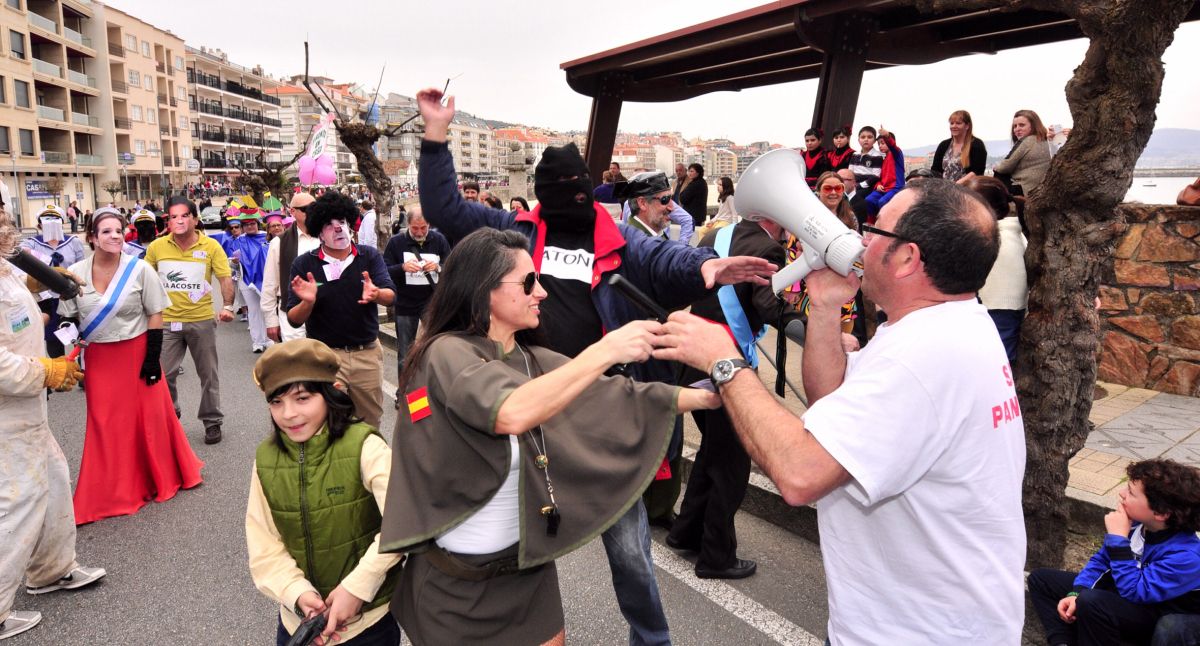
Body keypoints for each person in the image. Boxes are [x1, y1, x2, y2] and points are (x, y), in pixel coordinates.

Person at [412, 85, 774, 646]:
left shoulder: (623, 241)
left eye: (576, 190)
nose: (569, 200)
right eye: (557, 191)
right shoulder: (517, 240)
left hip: (603, 411)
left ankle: (651, 640)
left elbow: (666, 256)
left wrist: (707, 267)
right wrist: (436, 134)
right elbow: (447, 210)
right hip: (528, 402)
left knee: (630, 551)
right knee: (507, 539)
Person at [653, 179, 1026, 644]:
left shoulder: (922, 357)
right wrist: (827, 308)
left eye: (875, 231)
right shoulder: (948, 327)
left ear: (908, 258)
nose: (862, 240)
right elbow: (831, 407)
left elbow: (802, 473)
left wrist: (724, 362)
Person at [379, 228, 720, 645]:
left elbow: (611, 394)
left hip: (528, 577)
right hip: (455, 589)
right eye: (528, 282)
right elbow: (511, 411)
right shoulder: (446, 352)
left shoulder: (529, 356)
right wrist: (606, 350)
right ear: (485, 290)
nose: (541, 292)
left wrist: (709, 394)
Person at [666, 201, 800, 581]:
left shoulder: (715, 233)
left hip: (692, 362)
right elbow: (766, 304)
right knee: (732, 465)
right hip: (726, 364)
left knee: (713, 452)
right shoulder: (769, 248)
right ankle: (716, 556)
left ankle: (686, 532)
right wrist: (807, 324)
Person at [246, 339, 403, 646]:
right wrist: (296, 592)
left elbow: (402, 522)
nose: (288, 413)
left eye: (302, 398)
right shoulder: (265, 459)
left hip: (368, 621)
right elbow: (263, 541)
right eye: (276, 402)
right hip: (299, 623)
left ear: (331, 394)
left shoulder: (366, 446)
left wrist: (357, 588)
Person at [58, 208, 204, 525]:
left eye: (118, 231)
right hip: (100, 358)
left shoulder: (138, 270)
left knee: (149, 418)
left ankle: (157, 477)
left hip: (138, 352)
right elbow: (67, 316)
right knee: (105, 423)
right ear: (92, 238)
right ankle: (109, 489)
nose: (114, 237)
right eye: (106, 232)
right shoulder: (75, 272)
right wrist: (66, 347)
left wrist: (153, 359)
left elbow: (155, 313)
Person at [0, 204, 105, 641]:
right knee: (19, 502)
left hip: (25, 409)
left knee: (55, 478)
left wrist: (35, 285)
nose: (5, 219)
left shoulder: (4, 263)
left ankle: (49, 571)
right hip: (7, 411)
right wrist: (48, 372)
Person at [1028, 459, 1200, 646]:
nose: (1121, 493)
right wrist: (1076, 592)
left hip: (1156, 616)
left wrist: (1118, 540)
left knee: (1092, 602)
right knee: (1041, 580)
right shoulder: (1136, 525)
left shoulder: (1187, 556)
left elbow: (1136, 592)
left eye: (1131, 493)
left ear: (1160, 512)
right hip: (1128, 595)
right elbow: (1101, 563)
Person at [286, 192, 396, 431]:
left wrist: (377, 294)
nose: (337, 229)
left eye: (342, 222)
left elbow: (391, 295)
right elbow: (293, 319)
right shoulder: (304, 264)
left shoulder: (369, 256)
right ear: (318, 231)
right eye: (329, 224)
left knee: (369, 423)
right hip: (325, 357)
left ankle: (367, 466)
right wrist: (308, 302)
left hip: (366, 354)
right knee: (330, 423)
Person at [144, 196, 237, 445]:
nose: (179, 221)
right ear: (168, 221)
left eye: (184, 215)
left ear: (195, 219)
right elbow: (144, 282)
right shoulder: (156, 248)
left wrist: (227, 306)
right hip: (166, 322)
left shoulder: (211, 247)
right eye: (173, 217)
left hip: (201, 321)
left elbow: (225, 278)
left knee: (208, 374)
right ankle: (170, 415)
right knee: (164, 374)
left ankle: (212, 421)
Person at [962, 176, 1026, 365]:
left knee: (996, 365)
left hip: (999, 310)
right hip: (1000, 310)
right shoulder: (1012, 232)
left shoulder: (996, 239)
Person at [382, 207, 449, 385]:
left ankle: (434, 389)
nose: (419, 232)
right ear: (408, 225)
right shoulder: (396, 243)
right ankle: (403, 392)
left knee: (437, 347)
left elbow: (450, 265)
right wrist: (402, 268)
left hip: (431, 302)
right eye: (414, 229)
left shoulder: (439, 240)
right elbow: (384, 270)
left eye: (423, 228)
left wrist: (438, 267)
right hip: (405, 303)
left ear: (429, 225)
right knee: (405, 352)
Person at [20, 204, 86, 358]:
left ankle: (83, 370)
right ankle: (58, 375)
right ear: (39, 224)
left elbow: (82, 267)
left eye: (55, 220)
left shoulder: (73, 242)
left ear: (62, 222)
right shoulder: (32, 242)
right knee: (52, 338)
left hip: (71, 296)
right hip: (47, 299)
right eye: (47, 220)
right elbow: (19, 254)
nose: (51, 223)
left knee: (80, 335)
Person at [263, 192, 319, 344]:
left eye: (315, 208)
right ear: (292, 211)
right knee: (297, 360)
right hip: (291, 310)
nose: (312, 212)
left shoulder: (327, 236)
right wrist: (271, 321)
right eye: (306, 209)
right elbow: (270, 283)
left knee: (324, 360)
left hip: (324, 308)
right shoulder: (279, 243)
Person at [225, 212, 272, 353]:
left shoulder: (266, 237)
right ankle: (257, 341)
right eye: (246, 225)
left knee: (267, 310)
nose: (250, 226)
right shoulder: (238, 241)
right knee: (254, 310)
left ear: (257, 224)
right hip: (246, 281)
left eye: (252, 223)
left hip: (266, 279)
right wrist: (233, 262)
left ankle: (269, 339)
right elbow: (231, 264)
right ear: (243, 227)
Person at [993, 109, 1053, 198]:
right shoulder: (1045, 140)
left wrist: (996, 167)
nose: (1017, 129)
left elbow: (1004, 167)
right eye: (1015, 126)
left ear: (1033, 126)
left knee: (998, 175)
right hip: (1040, 186)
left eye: (1022, 125)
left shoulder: (1026, 141)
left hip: (1025, 188)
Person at [931, 109, 988, 181]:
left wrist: (956, 186)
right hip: (943, 189)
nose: (954, 126)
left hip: (967, 190)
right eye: (952, 123)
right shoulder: (943, 145)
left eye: (958, 123)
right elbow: (935, 170)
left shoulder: (977, 145)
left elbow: (976, 172)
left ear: (967, 126)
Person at [865, 128, 905, 218]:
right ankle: (871, 225)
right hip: (884, 189)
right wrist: (878, 185)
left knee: (882, 202)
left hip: (896, 188)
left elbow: (893, 146)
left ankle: (884, 227)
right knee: (868, 200)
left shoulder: (897, 154)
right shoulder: (883, 159)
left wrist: (887, 136)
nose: (880, 146)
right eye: (879, 144)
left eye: (883, 143)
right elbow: (880, 177)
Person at [848, 126, 884, 196]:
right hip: (854, 184)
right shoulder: (855, 154)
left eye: (869, 137)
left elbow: (876, 176)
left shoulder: (877, 156)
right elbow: (850, 172)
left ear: (874, 141)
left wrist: (859, 185)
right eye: (863, 137)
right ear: (858, 140)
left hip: (868, 186)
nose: (866, 139)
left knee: (854, 198)